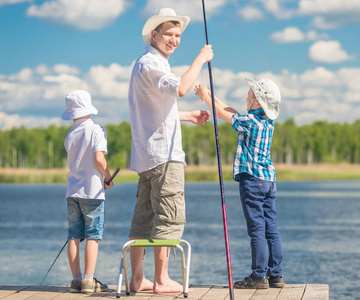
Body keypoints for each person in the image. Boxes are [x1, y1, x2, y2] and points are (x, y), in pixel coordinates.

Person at [127, 8, 213, 294]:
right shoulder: (154, 64)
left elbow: (157, 110)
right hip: (165, 157)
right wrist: (201, 58)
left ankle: (137, 279)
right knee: (170, 217)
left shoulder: (146, 64)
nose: (174, 40)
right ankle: (161, 279)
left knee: (144, 218)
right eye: (168, 34)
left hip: (147, 157)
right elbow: (180, 89)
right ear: (154, 34)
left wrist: (187, 116)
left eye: (177, 35)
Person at [194, 78, 284, 289]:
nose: (246, 97)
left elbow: (223, 114)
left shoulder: (250, 122)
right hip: (269, 180)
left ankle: (259, 275)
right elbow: (229, 110)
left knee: (257, 229)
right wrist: (209, 95)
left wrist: (204, 97)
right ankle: (276, 275)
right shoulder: (266, 122)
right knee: (271, 228)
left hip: (252, 181)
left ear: (258, 102)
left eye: (250, 95)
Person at [62, 90, 114, 293]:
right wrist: (108, 177)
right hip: (92, 191)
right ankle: (88, 281)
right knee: (93, 236)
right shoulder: (97, 130)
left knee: (73, 236)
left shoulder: (70, 134)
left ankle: (75, 281)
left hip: (72, 191)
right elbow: (99, 159)